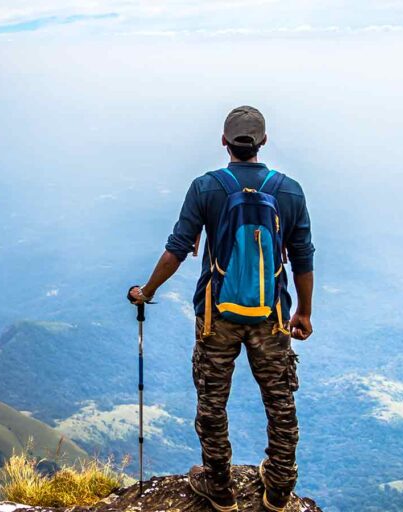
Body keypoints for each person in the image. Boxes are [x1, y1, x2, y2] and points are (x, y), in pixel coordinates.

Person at [128, 106, 314, 511]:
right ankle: (279, 491)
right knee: (280, 401)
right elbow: (302, 257)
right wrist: (304, 312)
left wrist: (146, 291)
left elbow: (178, 249)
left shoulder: (206, 188)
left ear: (224, 142)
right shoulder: (290, 190)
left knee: (212, 402)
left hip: (217, 316)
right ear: (263, 142)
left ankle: (221, 489)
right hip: (272, 317)